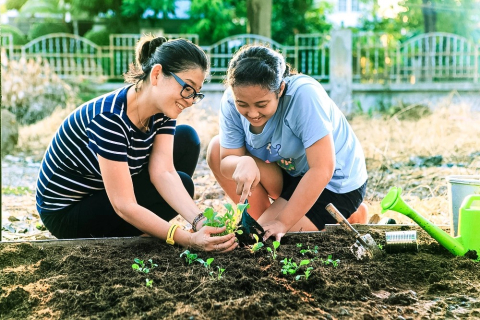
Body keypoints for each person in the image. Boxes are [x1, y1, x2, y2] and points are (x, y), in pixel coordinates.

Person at [36, 35, 237, 253]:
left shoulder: (163, 111)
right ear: (157, 74)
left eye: (195, 93)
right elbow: (124, 205)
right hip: (68, 213)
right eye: (187, 88)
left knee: (186, 140)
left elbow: (164, 172)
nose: (189, 100)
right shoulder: (109, 118)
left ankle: (143, 227)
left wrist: (199, 221)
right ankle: (141, 229)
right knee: (184, 184)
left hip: (104, 191)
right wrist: (185, 239)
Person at [207, 45, 368, 242]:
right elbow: (224, 161)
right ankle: (267, 218)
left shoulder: (304, 95)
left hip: (334, 182)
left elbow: (323, 169)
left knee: (271, 237)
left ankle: (351, 215)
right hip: (291, 172)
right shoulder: (231, 103)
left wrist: (282, 222)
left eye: (261, 104)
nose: (252, 113)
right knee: (216, 148)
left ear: (280, 89)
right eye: (243, 104)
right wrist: (241, 163)